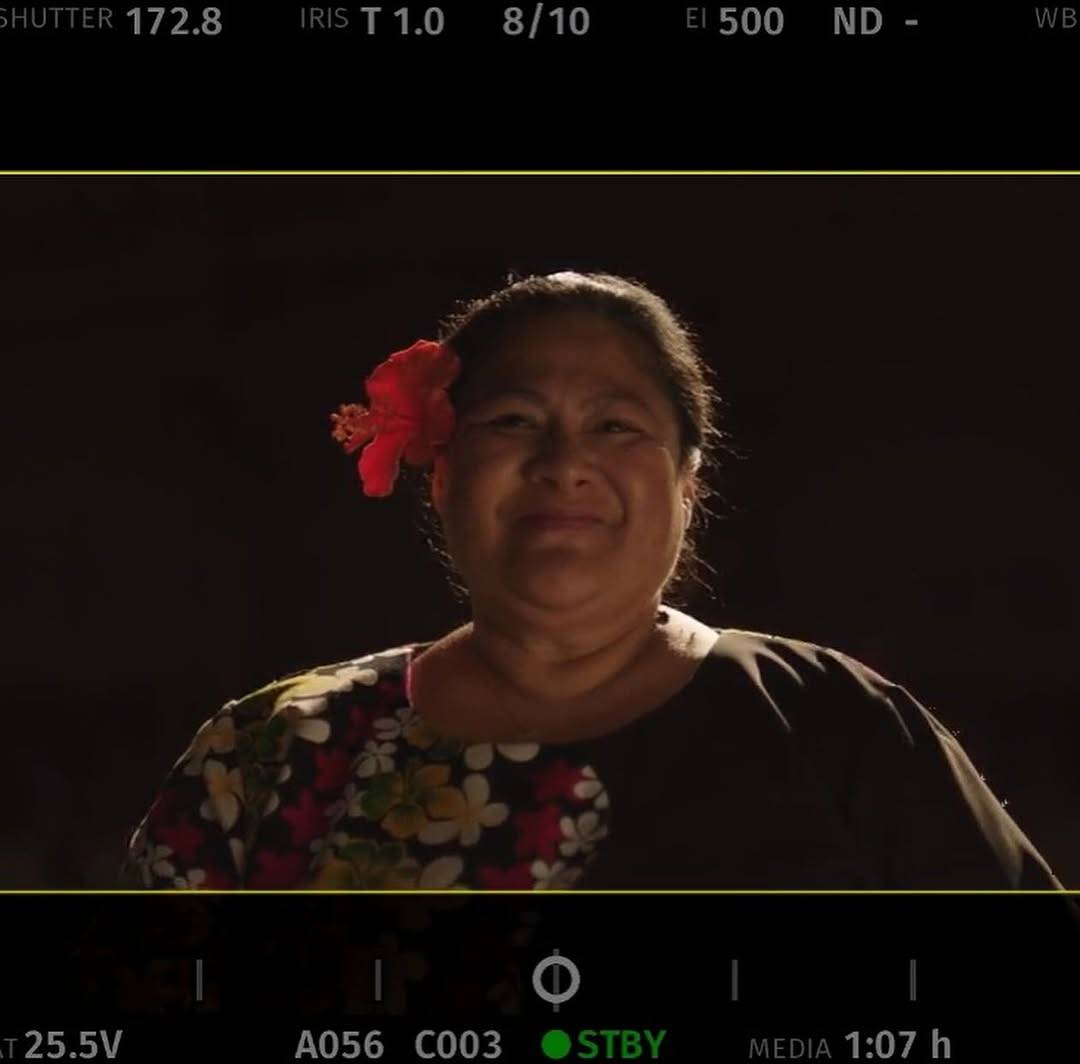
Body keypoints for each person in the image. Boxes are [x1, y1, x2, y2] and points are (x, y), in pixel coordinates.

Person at [123, 271, 1066, 891]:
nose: (565, 462)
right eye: (514, 422)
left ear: (688, 484)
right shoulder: (271, 753)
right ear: (442, 470)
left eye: (617, 426)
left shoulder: (832, 723)